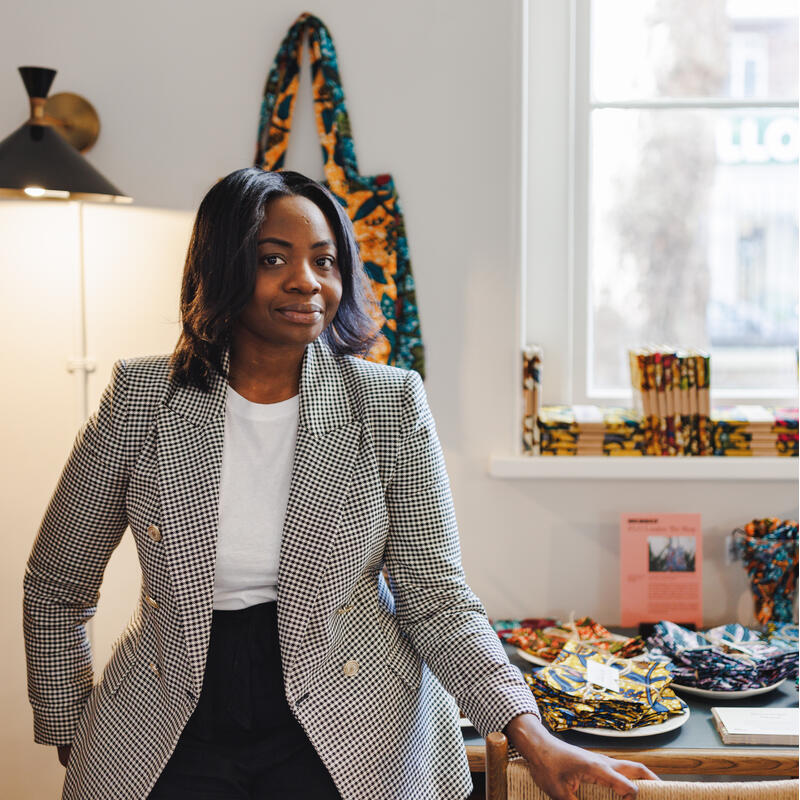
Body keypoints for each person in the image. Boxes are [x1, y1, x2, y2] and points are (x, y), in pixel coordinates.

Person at [23, 168, 657, 800]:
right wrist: (72, 731)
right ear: (221, 270)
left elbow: (436, 598)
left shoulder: (389, 403)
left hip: (349, 710)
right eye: (274, 258)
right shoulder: (141, 397)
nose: (307, 280)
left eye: (325, 261)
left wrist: (534, 739)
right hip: (172, 712)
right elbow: (56, 584)